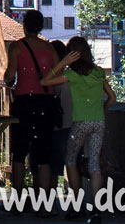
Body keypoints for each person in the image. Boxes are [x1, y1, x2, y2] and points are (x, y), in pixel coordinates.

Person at [42, 36, 116, 221]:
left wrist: (62, 64)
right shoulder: (98, 72)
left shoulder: (71, 75)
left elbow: (45, 82)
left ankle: (77, 205)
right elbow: (112, 97)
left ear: (71, 55)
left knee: (70, 159)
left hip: (79, 122)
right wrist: (102, 110)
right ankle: (98, 209)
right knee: (94, 164)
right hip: (98, 121)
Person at [3, 9, 59, 194]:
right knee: (43, 153)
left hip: (24, 101)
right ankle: (43, 204)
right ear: (41, 26)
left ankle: (18, 200)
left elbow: (10, 75)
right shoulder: (49, 48)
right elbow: (58, 73)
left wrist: (9, 79)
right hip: (46, 101)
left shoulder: (17, 47)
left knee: (19, 152)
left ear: (25, 26)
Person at [49, 40, 74, 184]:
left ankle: (48, 201)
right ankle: (77, 201)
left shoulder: (55, 77)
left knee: (53, 166)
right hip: (73, 122)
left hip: (58, 125)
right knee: (72, 164)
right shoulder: (73, 75)